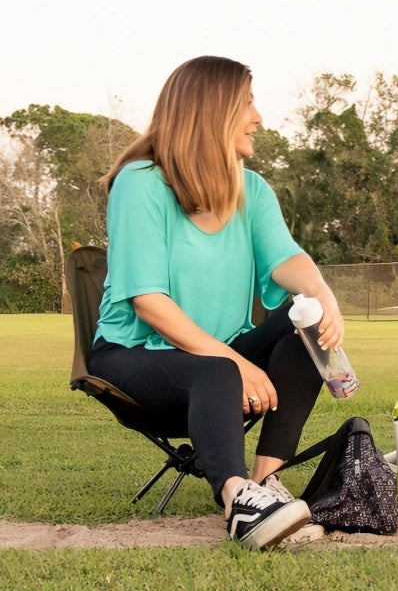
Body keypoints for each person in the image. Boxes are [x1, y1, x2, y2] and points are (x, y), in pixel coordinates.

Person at [89, 56, 342, 549]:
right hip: (132, 357)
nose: (258, 117)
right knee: (218, 369)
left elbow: (287, 260)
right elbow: (148, 302)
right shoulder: (141, 182)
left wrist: (322, 297)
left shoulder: (251, 187)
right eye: (247, 103)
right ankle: (236, 500)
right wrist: (233, 362)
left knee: (304, 327)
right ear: (212, 111)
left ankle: (266, 486)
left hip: (217, 358)